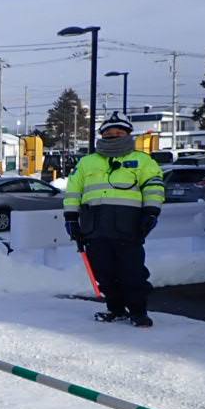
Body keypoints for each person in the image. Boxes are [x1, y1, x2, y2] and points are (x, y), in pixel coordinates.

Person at [63, 113, 164, 328]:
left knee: (132, 272)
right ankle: (116, 309)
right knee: (104, 272)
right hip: (95, 228)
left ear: (128, 134)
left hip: (129, 226)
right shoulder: (87, 162)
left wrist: (151, 213)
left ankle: (138, 312)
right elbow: (73, 191)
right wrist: (71, 218)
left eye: (119, 132)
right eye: (109, 132)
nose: (113, 135)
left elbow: (154, 187)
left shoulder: (143, 160)